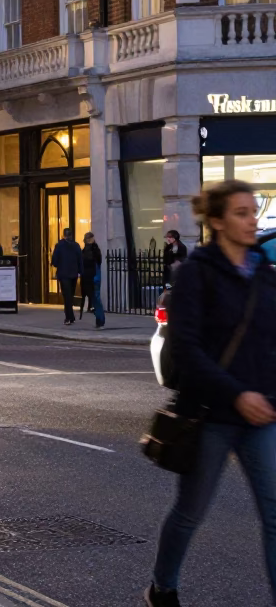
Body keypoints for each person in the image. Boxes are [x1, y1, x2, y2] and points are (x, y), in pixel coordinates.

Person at [146, 180, 276, 607]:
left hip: (260, 414)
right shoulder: (196, 273)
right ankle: (162, 588)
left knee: (275, 514)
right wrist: (238, 395)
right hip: (210, 414)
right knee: (191, 513)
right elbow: (187, 350)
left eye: (252, 210)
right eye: (241, 212)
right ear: (217, 221)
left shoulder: (264, 272)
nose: (251, 219)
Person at [50, 229, 83, 326]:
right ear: (72, 235)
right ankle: (70, 316)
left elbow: (55, 261)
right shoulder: (76, 246)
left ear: (63, 235)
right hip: (73, 274)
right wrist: (80, 272)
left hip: (63, 274)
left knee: (67, 296)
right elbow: (80, 260)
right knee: (70, 295)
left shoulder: (59, 246)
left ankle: (69, 317)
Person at [80, 232, 105, 328]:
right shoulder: (94, 250)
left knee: (95, 299)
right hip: (93, 277)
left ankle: (100, 320)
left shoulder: (89, 251)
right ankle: (99, 319)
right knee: (95, 299)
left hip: (91, 278)